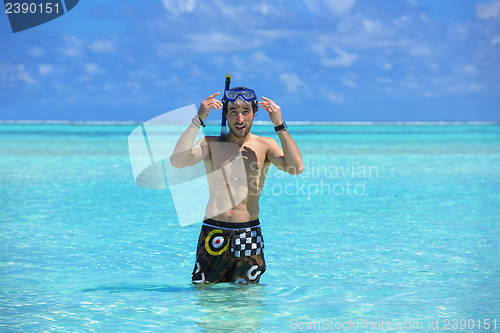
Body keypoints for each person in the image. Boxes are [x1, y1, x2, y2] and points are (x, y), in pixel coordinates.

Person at [170, 87, 304, 283]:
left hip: (248, 234)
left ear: (254, 113)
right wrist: (197, 120)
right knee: (206, 299)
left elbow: (296, 168)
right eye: (233, 111)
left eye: (245, 111)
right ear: (225, 114)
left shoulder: (265, 145)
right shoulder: (210, 144)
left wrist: (279, 125)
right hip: (213, 232)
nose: (240, 118)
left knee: (247, 303)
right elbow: (177, 161)